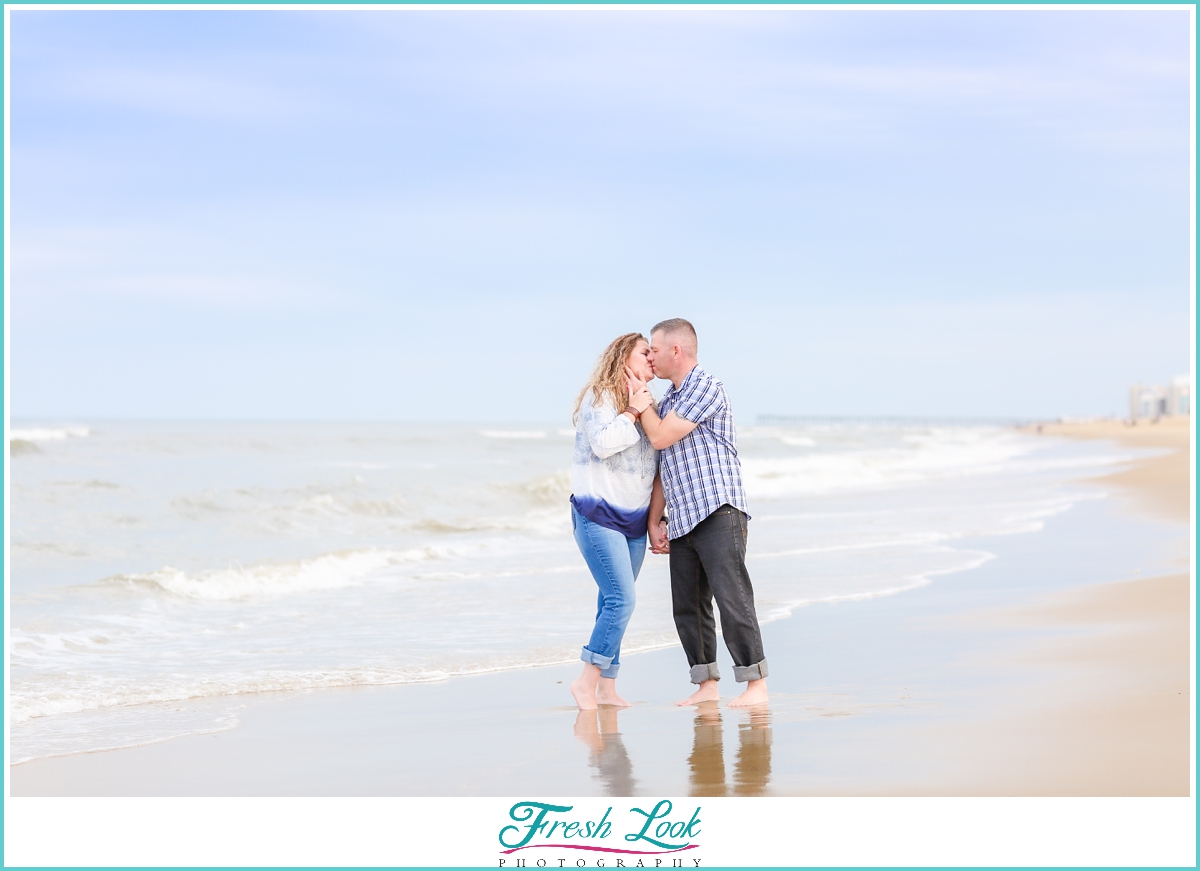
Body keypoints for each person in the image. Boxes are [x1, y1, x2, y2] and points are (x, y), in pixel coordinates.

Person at [632, 318, 769, 708]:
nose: (651, 358)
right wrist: (654, 520)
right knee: (688, 606)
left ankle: (755, 685)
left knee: (732, 598)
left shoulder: (705, 386)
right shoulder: (669, 402)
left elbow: (658, 436)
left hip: (718, 510)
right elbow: (663, 465)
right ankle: (706, 684)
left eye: (654, 350)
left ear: (676, 350)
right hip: (684, 517)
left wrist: (640, 400)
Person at [568, 332, 661, 710]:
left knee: (610, 600)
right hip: (597, 514)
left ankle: (607, 687)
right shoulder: (601, 396)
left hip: (635, 521)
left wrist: (659, 518)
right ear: (624, 356)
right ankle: (585, 683)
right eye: (645, 353)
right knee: (622, 600)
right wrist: (633, 410)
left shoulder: (652, 401)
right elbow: (603, 443)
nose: (652, 359)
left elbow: (659, 462)